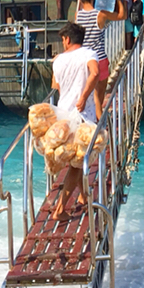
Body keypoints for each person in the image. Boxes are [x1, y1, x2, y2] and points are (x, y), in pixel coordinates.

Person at [50, 22, 99, 221]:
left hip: (63, 115)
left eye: (63, 40)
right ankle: (60, 209)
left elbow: (56, 85)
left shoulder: (58, 60)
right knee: (78, 164)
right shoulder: (89, 54)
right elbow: (95, 73)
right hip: (83, 117)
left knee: (76, 160)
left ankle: (84, 196)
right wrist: (84, 96)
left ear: (67, 39)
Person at [74, 0, 126, 117]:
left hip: (84, 60)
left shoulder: (77, 16)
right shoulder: (100, 14)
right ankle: (99, 121)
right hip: (99, 59)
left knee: (87, 92)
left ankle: (91, 118)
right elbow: (122, 16)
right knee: (99, 95)